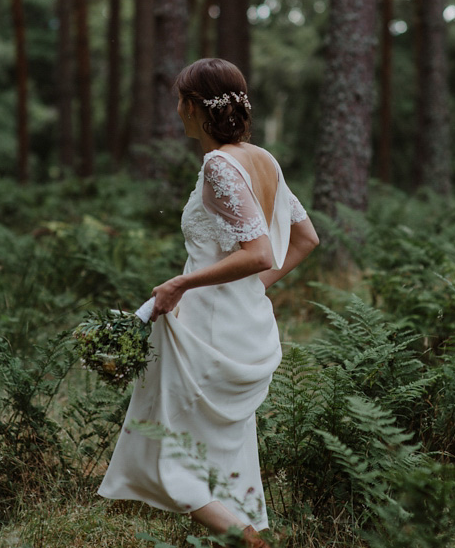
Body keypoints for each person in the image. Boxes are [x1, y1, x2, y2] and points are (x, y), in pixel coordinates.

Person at [98, 58, 320, 548]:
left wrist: (182, 285)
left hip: (210, 329)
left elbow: (258, 252)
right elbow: (306, 239)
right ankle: (248, 533)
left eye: (180, 101)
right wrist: (254, 288)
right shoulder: (263, 159)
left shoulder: (219, 164)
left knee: (166, 453)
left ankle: (252, 544)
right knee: (226, 454)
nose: (177, 111)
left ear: (196, 107)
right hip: (244, 323)